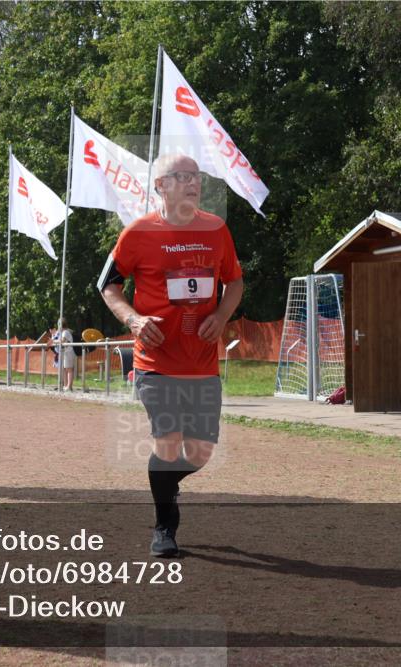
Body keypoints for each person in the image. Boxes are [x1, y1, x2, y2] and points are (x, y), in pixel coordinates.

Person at [98, 154, 244, 557]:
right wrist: (134, 319)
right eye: (182, 176)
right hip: (155, 362)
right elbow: (108, 285)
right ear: (161, 185)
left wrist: (221, 313)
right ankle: (164, 527)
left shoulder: (216, 229)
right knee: (168, 442)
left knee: (199, 453)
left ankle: (166, 484)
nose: (192, 183)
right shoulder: (138, 233)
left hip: (202, 364)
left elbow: (234, 282)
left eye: (196, 176)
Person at [52, 318, 77, 391]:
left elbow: (62, 340)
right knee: (65, 369)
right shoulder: (64, 332)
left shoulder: (65, 332)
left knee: (69, 369)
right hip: (65, 353)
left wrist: (54, 341)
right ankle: (66, 385)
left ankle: (69, 386)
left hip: (68, 353)